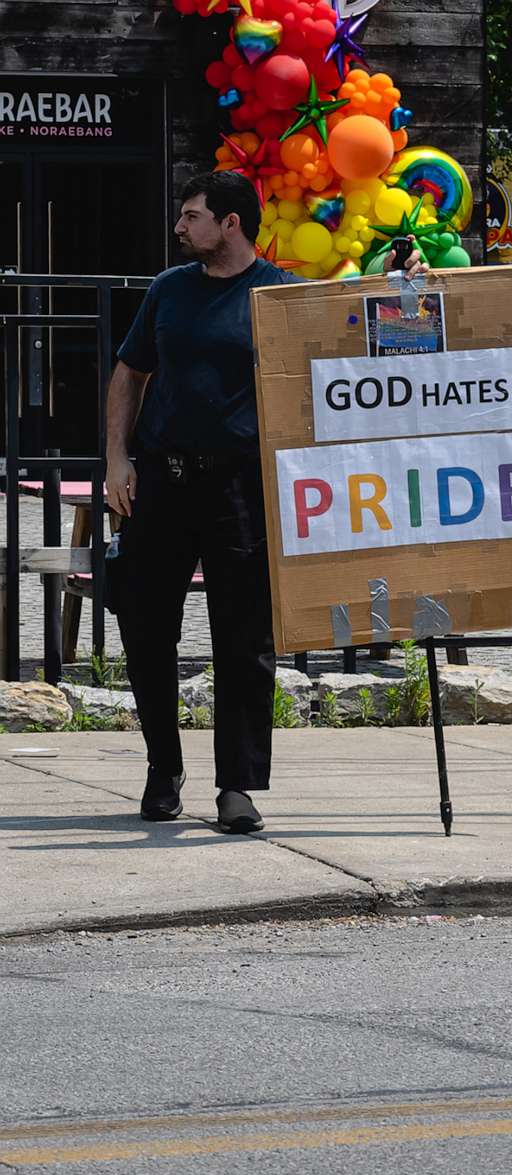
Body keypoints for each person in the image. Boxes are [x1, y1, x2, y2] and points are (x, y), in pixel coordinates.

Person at [102, 169, 295, 834]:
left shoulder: (280, 295)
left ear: (231, 223)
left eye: (191, 216)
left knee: (245, 638)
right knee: (144, 624)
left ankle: (237, 786)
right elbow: (130, 373)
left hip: (240, 485)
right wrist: (116, 460)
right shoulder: (168, 290)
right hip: (161, 480)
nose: (180, 228)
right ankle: (163, 769)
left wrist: (405, 280)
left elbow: (350, 345)